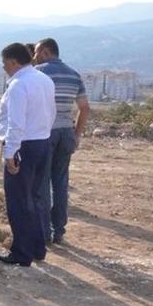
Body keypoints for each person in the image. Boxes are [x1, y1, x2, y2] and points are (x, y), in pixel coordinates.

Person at [0, 43, 56, 266]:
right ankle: (38, 248)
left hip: (24, 146)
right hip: (42, 142)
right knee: (34, 197)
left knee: (19, 202)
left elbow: (16, 124)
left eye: (4, 64)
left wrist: (11, 153)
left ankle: (22, 253)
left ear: (13, 62)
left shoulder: (19, 85)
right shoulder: (44, 80)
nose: (4, 68)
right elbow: (51, 113)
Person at [33, 38, 90, 245]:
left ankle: (45, 229)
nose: (35, 55)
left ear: (46, 52)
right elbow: (85, 107)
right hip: (66, 132)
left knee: (42, 181)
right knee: (60, 182)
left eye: (38, 51)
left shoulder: (39, 72)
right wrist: (77, 133)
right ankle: (59, 230)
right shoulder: (74, 74)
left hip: (45, 133)